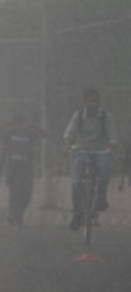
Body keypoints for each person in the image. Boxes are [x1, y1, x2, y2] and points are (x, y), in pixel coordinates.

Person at [63, 88, 118, 230]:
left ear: (98, 102)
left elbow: (112, 136)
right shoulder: (79, 115)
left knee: (105, 174)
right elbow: (69, 134)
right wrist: (68, 146)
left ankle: (100, 201)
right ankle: (77, 213)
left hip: (101, 151)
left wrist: (112, 146)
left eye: (94, 101)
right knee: (76, 182)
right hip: (81, 151)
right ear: (84, 101)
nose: (91, 104)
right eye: (89, 100)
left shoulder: (106, 116)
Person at [0, 113, 47, 227]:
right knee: (14, 193)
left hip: (26, 168)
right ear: (13, 123)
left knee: (27, 194)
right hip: (12, 168)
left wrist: (34, 126)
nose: (18, 125)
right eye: (16, 123)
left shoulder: (29, 134)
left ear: (24, 123)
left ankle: (19, 214)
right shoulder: (9, 133)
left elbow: (45, 134)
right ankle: (13, 216)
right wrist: (6, 124)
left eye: (20, 123)